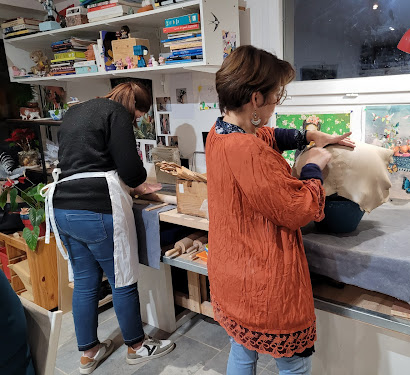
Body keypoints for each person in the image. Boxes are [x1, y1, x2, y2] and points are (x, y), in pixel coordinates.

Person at [206, 45, 355, 375]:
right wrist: (314, 165)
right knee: (294, 364)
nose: (277, 104)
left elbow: (266, 135)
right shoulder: (247, 149)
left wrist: (308, 135)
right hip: (263, 284)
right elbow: (299, 209)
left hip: (232, 275)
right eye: (276, 96)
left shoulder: (220, 132)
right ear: (256, 99)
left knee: (242, 351)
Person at [45, 82, 175, 374]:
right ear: (134, 107)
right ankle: (137, 346)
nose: (138, 121)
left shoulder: (76, 111)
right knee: (122, 278)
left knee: (85, 281)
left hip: (63, 205)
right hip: (98, 205)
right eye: (139, 116)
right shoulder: (117, 113)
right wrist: (143, 183)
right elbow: (130, 170)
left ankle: (89, 352)